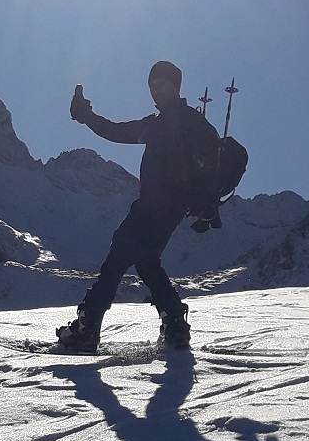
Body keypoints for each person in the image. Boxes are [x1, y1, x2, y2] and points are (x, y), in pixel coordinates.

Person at [57, 60, 221, 353]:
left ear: (176, 86)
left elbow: (117, 132)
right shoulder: (185, 122)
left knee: (119, 253)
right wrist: (87, 116)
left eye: (162, 84)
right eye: (152, 86)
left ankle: (87, 327)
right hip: (173, 210)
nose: (156, 91)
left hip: (155, 204)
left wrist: (86, 115)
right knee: (146, 262)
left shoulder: (166, 123)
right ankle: (175, 327)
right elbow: (118, 131)